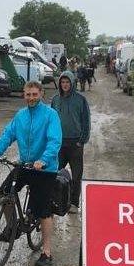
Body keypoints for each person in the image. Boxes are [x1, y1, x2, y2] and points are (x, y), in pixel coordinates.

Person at [0, 81, 63, 266]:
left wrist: (43, 160)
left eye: (35, 94)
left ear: (41, 94)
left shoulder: (51, 115)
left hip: (44, 168)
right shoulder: (20, 115)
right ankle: (13, 226)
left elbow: (54, 141)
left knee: (43, 211)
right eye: (28, 94)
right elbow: (7, 135)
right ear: (23, 95)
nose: (31, 98)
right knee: (4, 192)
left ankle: (46, 252)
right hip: (25, 165)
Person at [51, 71, 90, 214]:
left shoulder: (80, 100)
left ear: (72, 83)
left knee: (76, 175)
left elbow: (86, 121)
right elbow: (51, 120)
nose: (65, 85)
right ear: (60, 84)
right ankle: (54, 201)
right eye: (62, 82)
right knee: (54, 173)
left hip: (75, 144)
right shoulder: (55, 100)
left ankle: (74, 203)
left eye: (67, 82)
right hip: (59, 143)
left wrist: (82, 140)